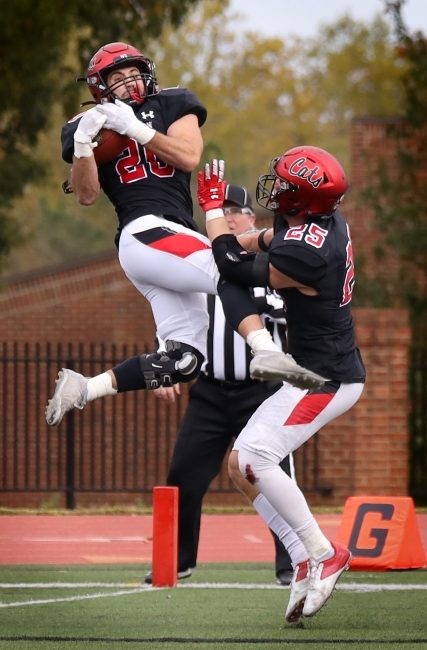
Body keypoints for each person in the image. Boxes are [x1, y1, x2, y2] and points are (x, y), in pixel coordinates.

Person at [45, 42, 325, 426]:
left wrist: (137, 129)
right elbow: (87, 195)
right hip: (143, 230)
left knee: (183, 361)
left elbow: (188, 156)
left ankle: (85, 388)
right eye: (118, 78)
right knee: (228, 268)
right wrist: (82, 145)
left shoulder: (172, 103)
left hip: (169, 237)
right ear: (100, 88)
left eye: (133, 73)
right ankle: (266, 352)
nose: (129, 82)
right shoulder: (88, 124)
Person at [197, 147, 366, 622]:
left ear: (305, 197)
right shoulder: (315, 226)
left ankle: (324, 550)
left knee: (254, 457)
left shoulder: (307, 252)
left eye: (286, 182)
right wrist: (231, 238)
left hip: (326, 378)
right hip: (313, 369)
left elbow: (231, 265)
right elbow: (255, 243)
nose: (277, 186)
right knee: (237, 465)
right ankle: (300, 555)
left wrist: (212, 212)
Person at [143, 184, 295, 586]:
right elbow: (174, 319)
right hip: (209, 391)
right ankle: (177, 560)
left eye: (235, 211)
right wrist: (162, 367)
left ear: (252, 220)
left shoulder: (270, 265)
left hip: (261, 392)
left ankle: (290, 564)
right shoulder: (196, 266)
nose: (227, 218)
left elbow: (292, 310)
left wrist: (267, 303)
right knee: (183, 475)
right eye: (219, 210)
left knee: (274, 477)